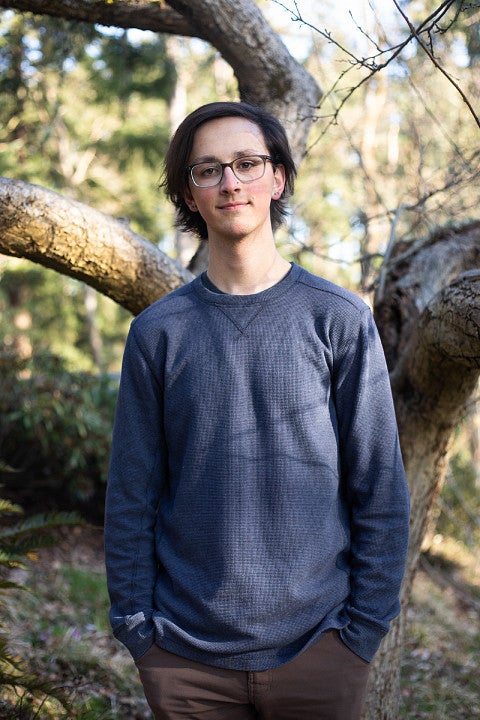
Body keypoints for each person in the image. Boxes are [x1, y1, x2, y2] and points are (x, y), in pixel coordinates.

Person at [104, 101, 410, 720]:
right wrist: (140, 631)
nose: (230, 182)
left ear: (278, 179)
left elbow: (379, 487)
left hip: (321, 652)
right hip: (185, 659)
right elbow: (131, 494)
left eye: (247, 164)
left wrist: (360, 635)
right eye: (208, 170)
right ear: (189, 195)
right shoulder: (158, 333)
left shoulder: (340, 320)